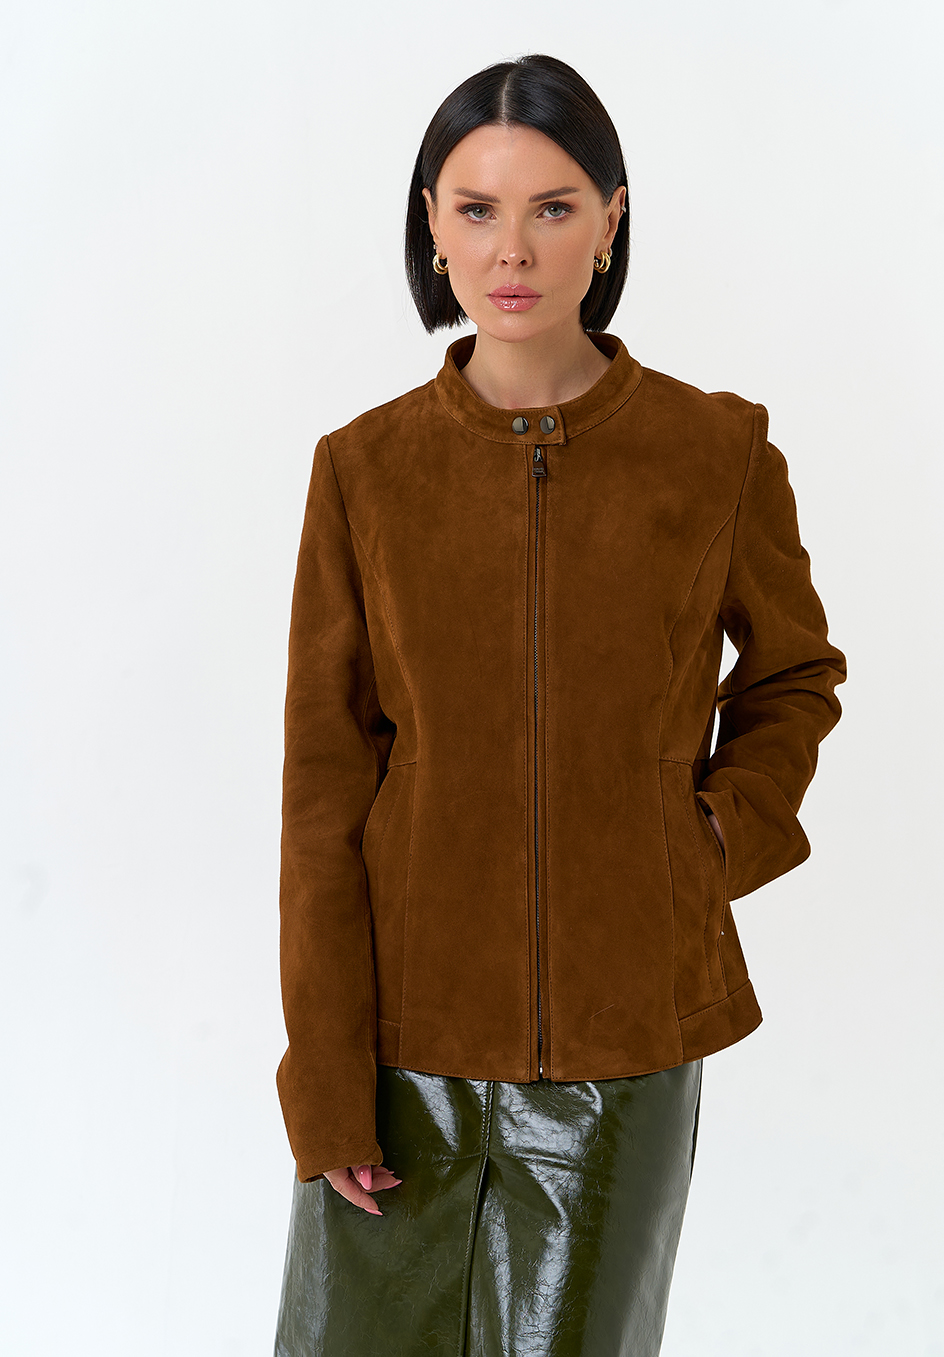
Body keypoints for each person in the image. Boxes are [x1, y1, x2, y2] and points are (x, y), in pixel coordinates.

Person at [272, 52, 846, 1357]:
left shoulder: (715, 453)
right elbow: (323, 790)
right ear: (432, 225)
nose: (513, 249)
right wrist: (327, 1080)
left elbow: (793, 676)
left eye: (553, 206)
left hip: (620, 1049)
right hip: (402, 1048)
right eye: (477, 209)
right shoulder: (365, 471)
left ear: (610, 220)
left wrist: (710, 843)